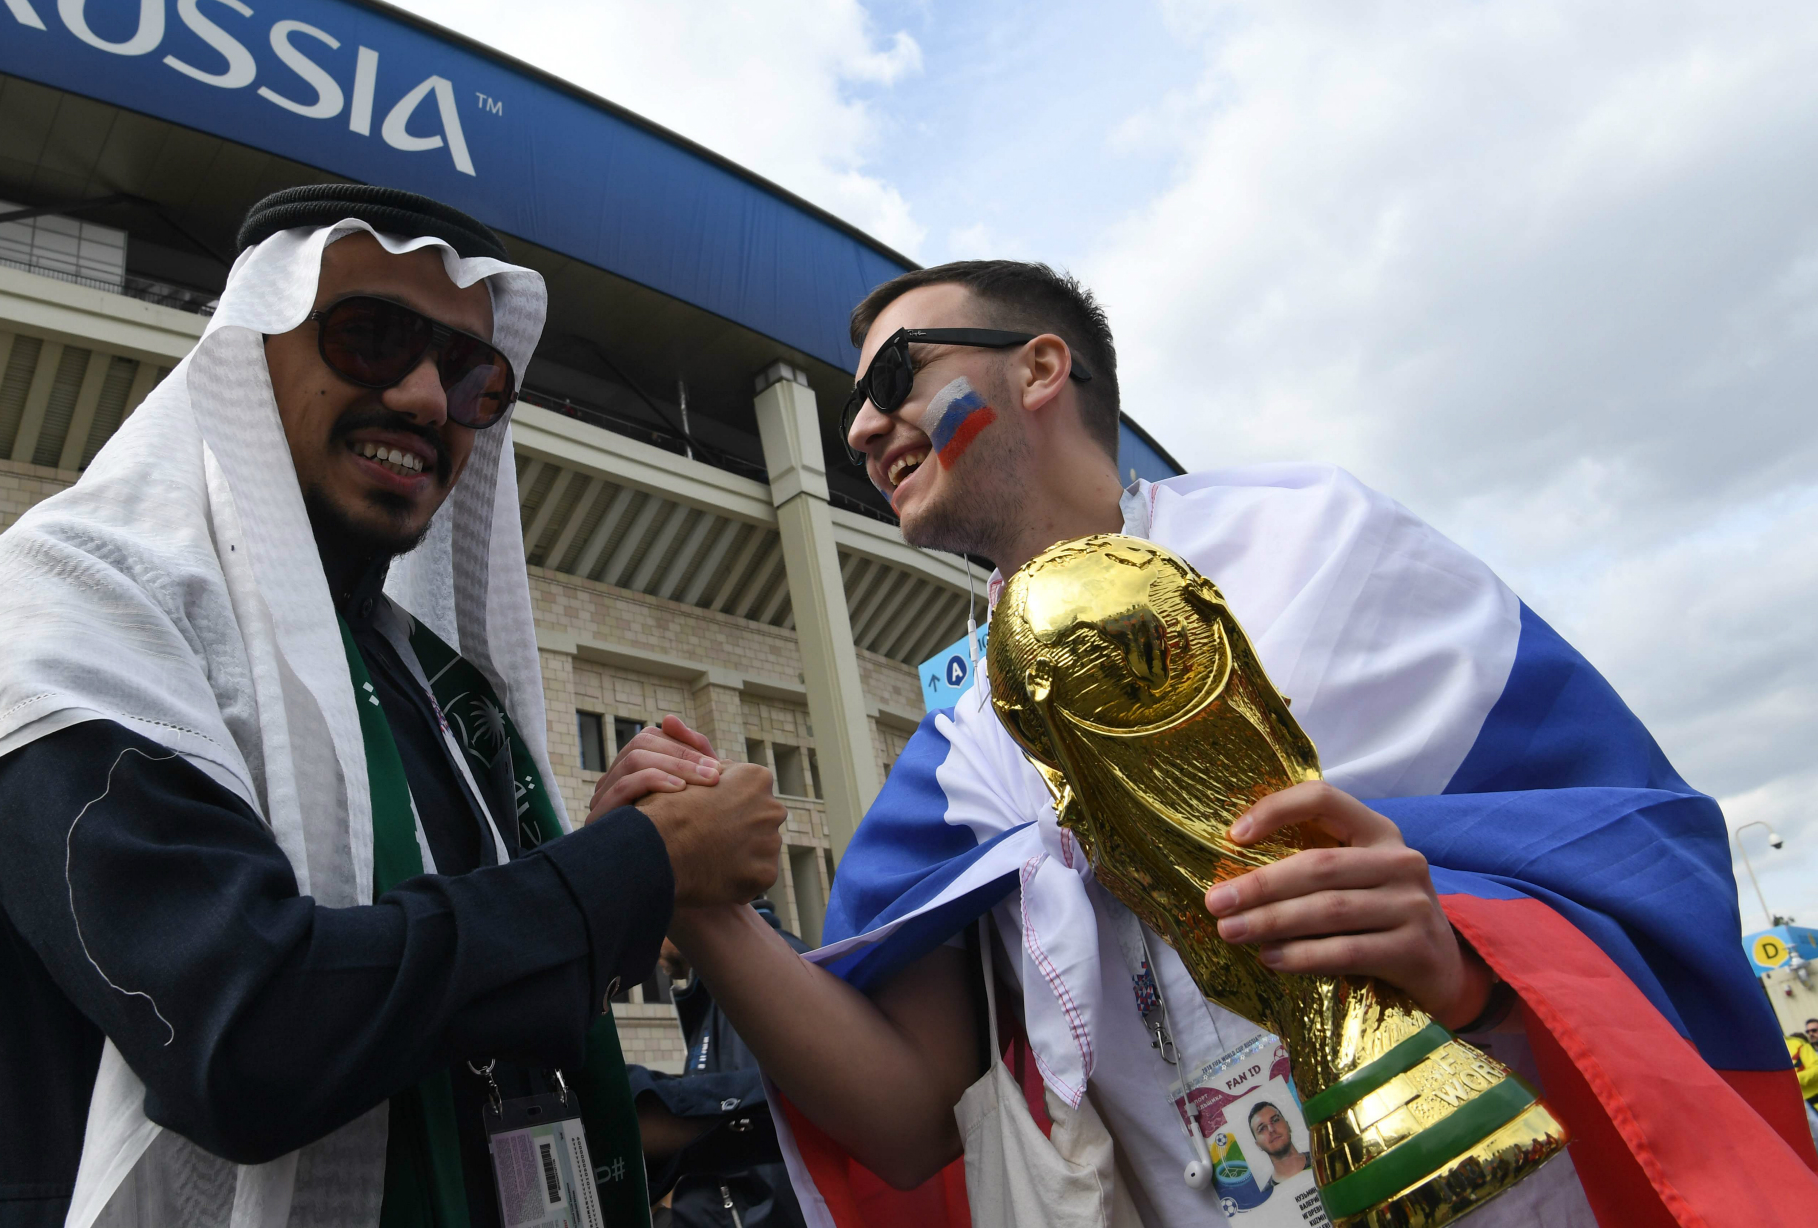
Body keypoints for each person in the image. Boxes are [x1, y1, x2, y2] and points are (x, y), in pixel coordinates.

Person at [654, 260, 1818, 1228]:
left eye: (894, 377)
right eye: (852, 405)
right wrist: (697, 900)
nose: (859, 425)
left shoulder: (1321, 551)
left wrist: (1461, 955)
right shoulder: (959, 761)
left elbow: (1637, 847)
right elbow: (908, 1121)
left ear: (1041, 367)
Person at [0, 185, 785, 1228]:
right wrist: (637, 867)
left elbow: (436, 986)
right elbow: (247, 1029)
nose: (425, 397)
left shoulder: (418, 674)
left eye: (469, 373)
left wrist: (606, 855)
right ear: (246, 354)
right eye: (371, 337)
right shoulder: (72, 607)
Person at [630, 901, 811, 1227]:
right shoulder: (731, 972)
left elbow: (774, 1179)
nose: (641, 945)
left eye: (644, 920)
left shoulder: (754, 971)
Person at [1245, 1103, 1307, 1188]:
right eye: (1262, 1128)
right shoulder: (1268, 1194)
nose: (1271, 1129)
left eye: (1275, 1120)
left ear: (1288, 1125)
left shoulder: (1322, 1158)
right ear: (1258, 1145)